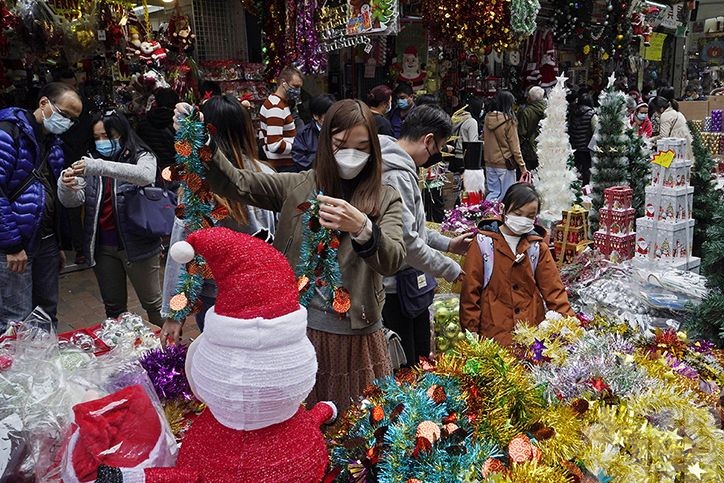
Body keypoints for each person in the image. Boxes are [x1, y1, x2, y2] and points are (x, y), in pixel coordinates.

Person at [175, 98, 406, 412]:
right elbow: (237, 183)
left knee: (355, 422)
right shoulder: (299, 186)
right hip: (298, 329)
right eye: (340, 145)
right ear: (326, 144)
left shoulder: (385, 198)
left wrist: (364, 227)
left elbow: (392, 259)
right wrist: (203, 141)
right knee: (301, 416)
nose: (351, 155)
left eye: (362, 147)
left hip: (356, 334)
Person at [160, 95, 277, 341]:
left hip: (217, 295)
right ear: (245, 130)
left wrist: (174, 313)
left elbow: (182, 249)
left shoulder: (197, 184)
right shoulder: (265, 174)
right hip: (263, 288)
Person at [379, 105, 472, 367]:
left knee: (418, 353)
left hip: (405, 285)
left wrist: (450, 244)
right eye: (437, 149)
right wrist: (449, 268)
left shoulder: (401, 167)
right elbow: (408, 242)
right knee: (406, 363)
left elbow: (415, 229)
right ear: (428, 140)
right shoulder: (395, 174)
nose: (436, 156)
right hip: (394, 289)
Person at [57, 110, 164, 326]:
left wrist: (98, 167)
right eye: (96, 138)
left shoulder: (141, 156)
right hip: (103, 246)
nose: (101, 142)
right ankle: (120, 351)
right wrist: (65, 185)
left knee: (155, 306)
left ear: (122, 134)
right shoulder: (90, 161)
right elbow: (74, 200)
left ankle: (172, 353)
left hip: (138, 245)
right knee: (114, 310)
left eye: (107, 136)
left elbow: (145, 176)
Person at [0, 82, 82, 329]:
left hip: (45, 239)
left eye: (72, 120)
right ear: (44, 103)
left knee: (46, 312)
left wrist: (57, 241)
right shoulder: (8, 133)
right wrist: (12, 245)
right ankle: (19, 369)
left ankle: (48, 365)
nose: (66, 122)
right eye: (64, 114)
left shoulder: (54, 144)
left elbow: (51, 195)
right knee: (16, 319)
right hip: (16, 243)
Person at [460, 183, 574, 346]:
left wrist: (571, 324)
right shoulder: (484, 244)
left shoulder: (537, 247)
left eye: (530, 216)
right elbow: (470, 291)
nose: (523, 220)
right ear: (503, 209)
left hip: (532, 334)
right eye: (517, 213)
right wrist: (471, 331)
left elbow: (554, 290)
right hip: (494, 335)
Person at [57, 69, 93, 265]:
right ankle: (79, 247)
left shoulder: (83, 108)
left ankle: (88, 246)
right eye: (67, 87)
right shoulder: (55, 124)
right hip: (66, 166)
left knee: (90, 205)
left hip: (86, 162)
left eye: (74, 86)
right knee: (72, 206)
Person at [483, 90, 526, 201]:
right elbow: (515, 147)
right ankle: (502, 217)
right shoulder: (509, 121)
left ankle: (489, 215)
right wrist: (522, 166)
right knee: (507, 195)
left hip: (489, 162)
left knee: (493, 193)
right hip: (505, 162)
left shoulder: (487, 118)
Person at [259, 65, 304, 172]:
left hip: (282, 165)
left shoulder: (278, 103)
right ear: (284, 83)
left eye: (299, 87)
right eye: (295, 86)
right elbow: (274, 145)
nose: (297, 91)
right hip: (283, 167)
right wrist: (298, 146)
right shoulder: (276, 107)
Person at [137, 88, 180, 174]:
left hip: (150, 167)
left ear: (156, 102)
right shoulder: (179, 124)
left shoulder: (144, 121)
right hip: (171, 169)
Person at [291, 94, 335, 171]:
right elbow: (299, 159)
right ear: (316, 116)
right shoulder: (304, 134)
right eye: (327, 115)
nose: (331, 119)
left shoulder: (338, 130)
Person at [569, 93, 597, 186]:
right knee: (586, 169)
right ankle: (585, 187)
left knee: (574, 167)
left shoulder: (573, 112)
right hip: (586, 146)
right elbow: (595, 130)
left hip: (574, 145)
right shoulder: (591, 114)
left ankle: (573, 187)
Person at [450, 97, 483, 174]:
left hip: (456, 155)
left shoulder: (459, 118)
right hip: (465, 157)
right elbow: (473, 143)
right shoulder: (472, 122)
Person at [517, 86, 546, 171]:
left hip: (529, 148)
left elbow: (521, 132)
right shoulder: (548, 109)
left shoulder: (526, 111)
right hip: (544, 146)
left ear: (530, 98)